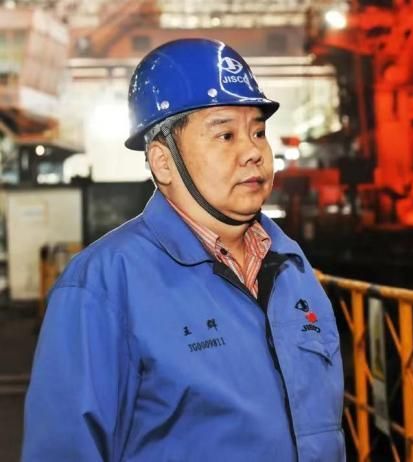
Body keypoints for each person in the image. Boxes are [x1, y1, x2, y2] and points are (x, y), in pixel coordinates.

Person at [22, 38, 345, 461]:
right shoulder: (103, 285)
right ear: (163, 162)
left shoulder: (292, 268)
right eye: (225, 135)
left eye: (258, 132)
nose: (253, 152)